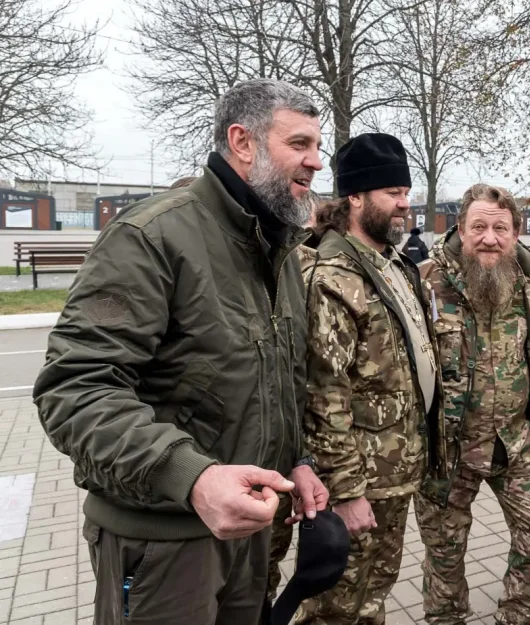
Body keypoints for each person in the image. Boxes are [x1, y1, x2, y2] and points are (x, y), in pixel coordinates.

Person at [32, 78, 329, 624]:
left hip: (248, 536)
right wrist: (190, 476)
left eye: (317, 147)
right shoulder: (153, 237)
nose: (315, 162)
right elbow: (75, 392)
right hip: (164, 548)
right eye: (301, 144)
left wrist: (298, 461)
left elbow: (270, 382)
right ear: (243, 142)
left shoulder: (278, 248)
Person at [293, 132, 441, 625]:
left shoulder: (394, 263)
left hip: (395, 471)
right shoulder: (334, 276)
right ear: (355, 197)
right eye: (393, 194)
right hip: (361, 479)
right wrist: (347, 491)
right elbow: (323, 395)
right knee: (336, 604)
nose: (405, 205)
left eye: (406, 192)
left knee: (374, 594)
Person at [414, 183, 530, 625]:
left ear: (517, 232)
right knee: (444, 550)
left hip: (513, 441)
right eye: (478, 226)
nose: (489, 238)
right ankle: (447, 619)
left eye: (500, 228)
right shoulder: (424, 283)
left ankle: (518, 616)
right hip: (448, 449)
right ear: (460, 229)